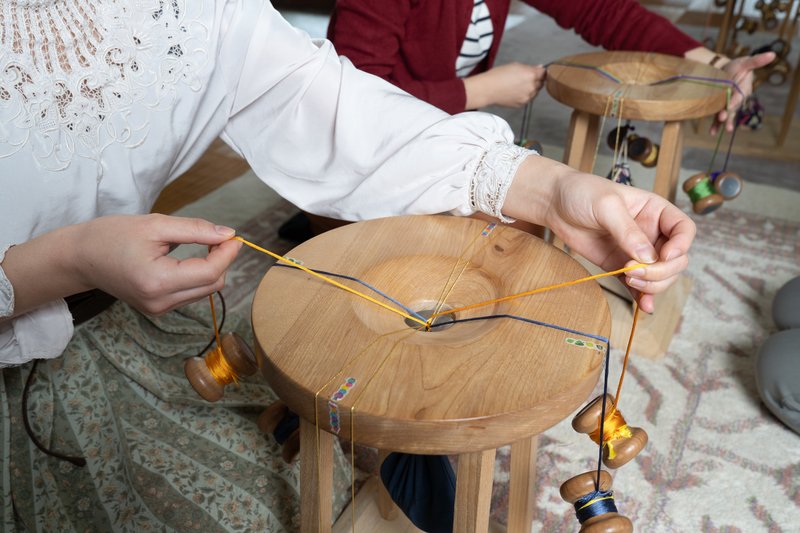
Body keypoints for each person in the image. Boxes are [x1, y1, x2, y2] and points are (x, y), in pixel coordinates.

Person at [0, 0, 694, 530]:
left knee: (347, 437)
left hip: (119, 298)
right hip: (42, 321)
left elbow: (324, 99)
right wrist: (70, 257)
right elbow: (367, 71)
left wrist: (548, 186)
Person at [328, 0, 775, 132]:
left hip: (433, 124)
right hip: (370, 136)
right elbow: (348, 100)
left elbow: (604, 12)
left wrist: (718, 62)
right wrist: (479, 92)